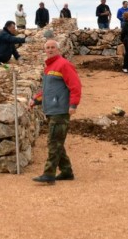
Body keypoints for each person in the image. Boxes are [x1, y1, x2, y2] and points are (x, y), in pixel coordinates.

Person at [31, 40, 82, 185]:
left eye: (53, 47)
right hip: (52, 110)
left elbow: (75, 85)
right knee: (57, 141)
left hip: (60, 110)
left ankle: (49, 174)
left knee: (54, 142)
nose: (50, 49)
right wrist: (35, 100)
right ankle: (66, 171)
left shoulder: (64, 64)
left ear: (58, 49)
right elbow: (47, 90)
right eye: (47, 47)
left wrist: (73, 104)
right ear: (45, 50)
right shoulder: (49, 67)